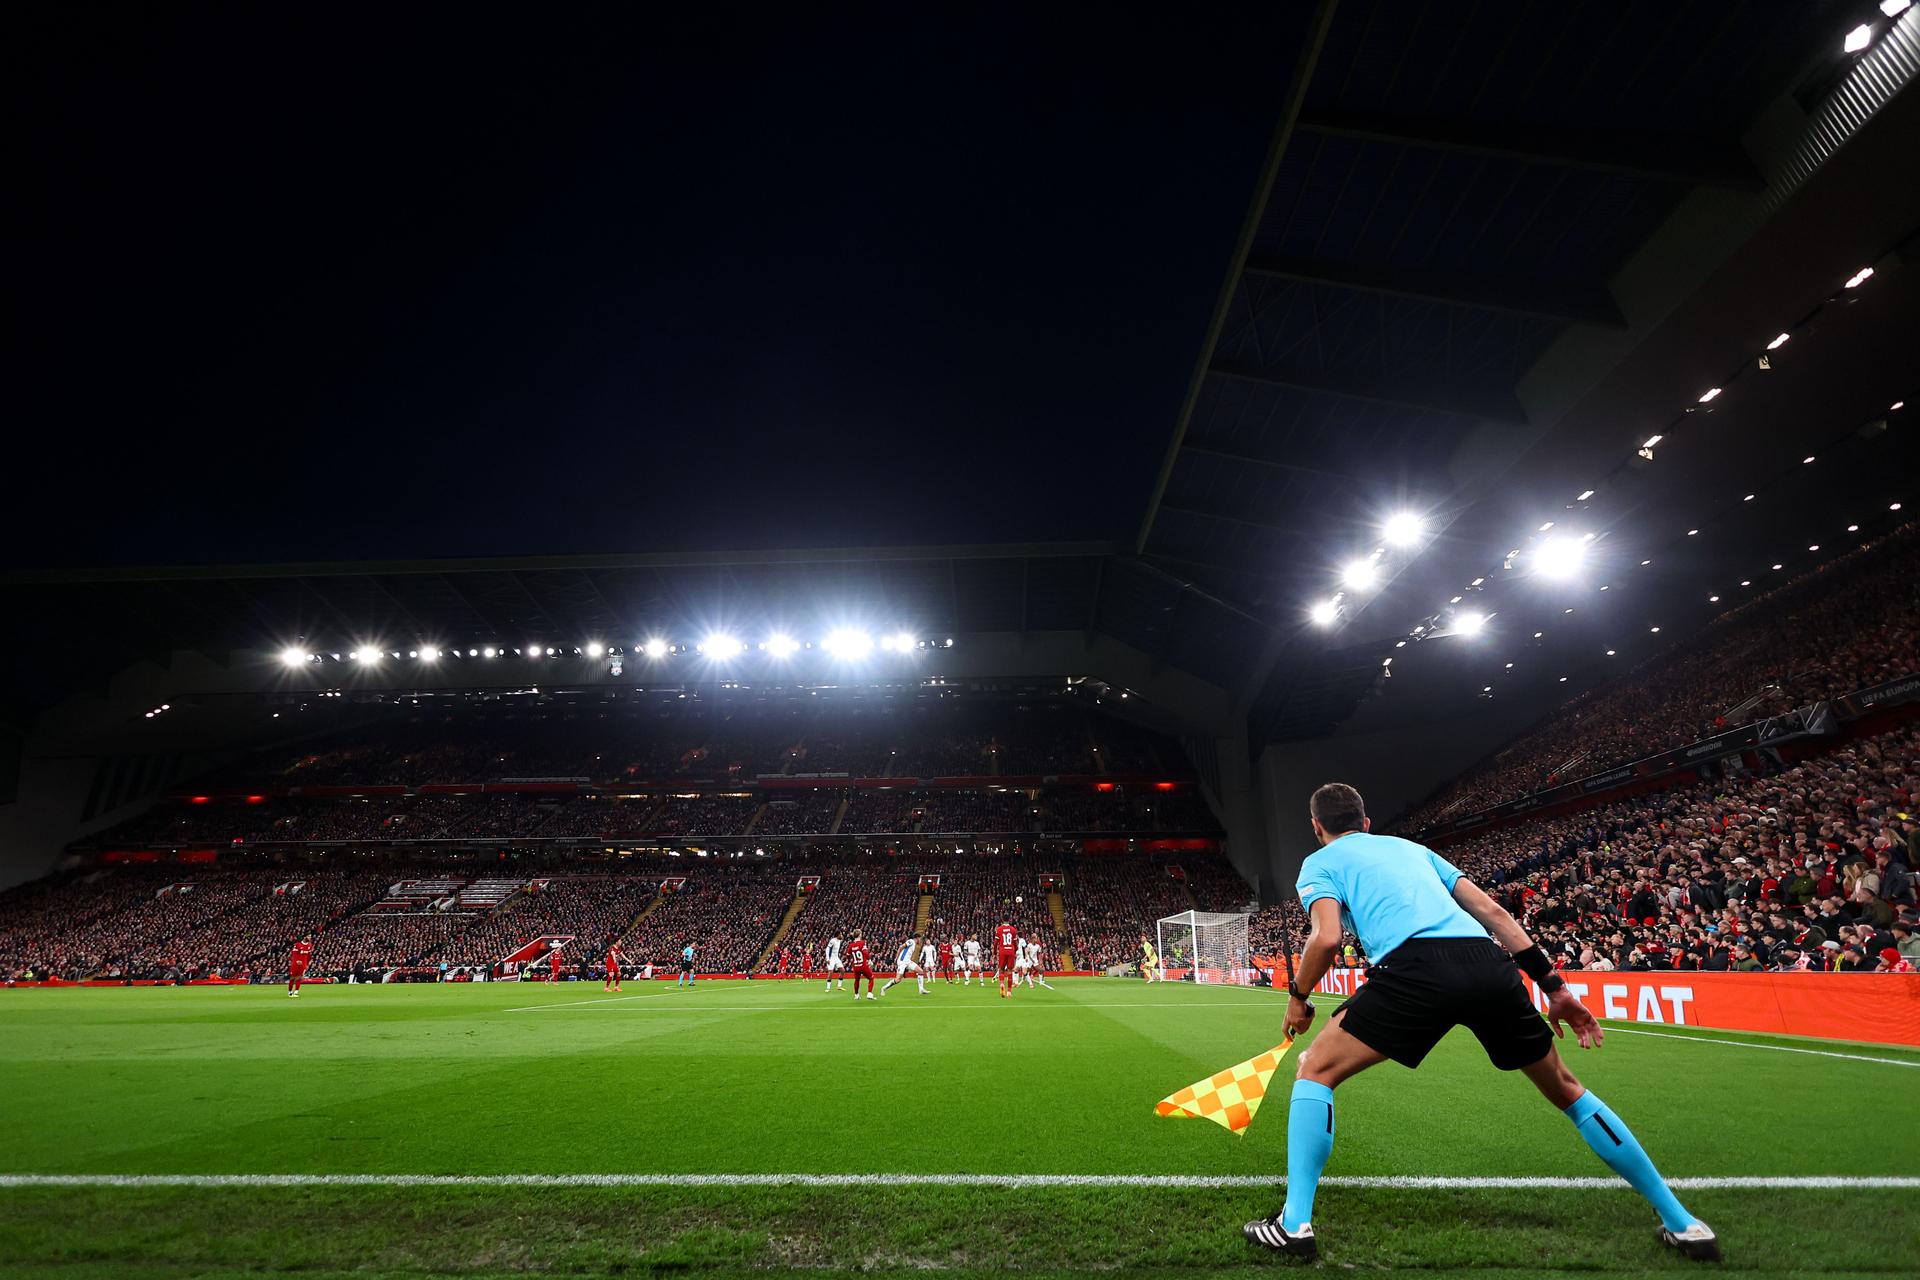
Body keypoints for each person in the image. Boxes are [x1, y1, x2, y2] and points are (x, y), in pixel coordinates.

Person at [1242, 783, 1719, 1264]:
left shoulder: (1320, 862)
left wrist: (1297, 998)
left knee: (1316, 1071)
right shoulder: (1415, 850)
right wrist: (1555, 988)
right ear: (1366, 821)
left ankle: (1294, 1223)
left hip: (1413, 970)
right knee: (1569, 1091)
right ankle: (1683, 1222)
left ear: (1317, 827)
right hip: (1485, 962)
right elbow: (1492, 912)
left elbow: (1326, 938)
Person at [846, 930, 876, 1001]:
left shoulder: (851, 945)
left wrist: (852, 960)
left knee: (857, 980)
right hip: (863, 965)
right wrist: (869, 960)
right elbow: (865, 952)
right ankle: (869, 993)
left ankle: (856, 995)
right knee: (871, 978)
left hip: (856, 966)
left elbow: (847, 955)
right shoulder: (862, 943)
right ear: (859, 935)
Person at [994, 919, 1018, 997]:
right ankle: (1009, 991)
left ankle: (1001, 983)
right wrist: (1015, 950)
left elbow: (995, 943)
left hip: (1002, 951)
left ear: (1002, 920)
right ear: (1009, 920)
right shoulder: (1013, 929)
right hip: (1010, 950)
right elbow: (1015, 943)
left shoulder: (999, 929)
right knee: (1010, 970)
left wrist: (994, 953)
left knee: (1001, 969)